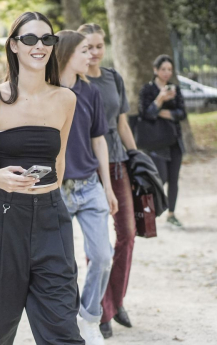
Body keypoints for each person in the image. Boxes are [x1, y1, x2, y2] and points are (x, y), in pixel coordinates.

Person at [0, 12, 83, 344]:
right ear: (13, 45)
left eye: (47, 39)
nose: (39, 46)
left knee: (63, 329)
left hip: (52, 218)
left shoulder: (66, 99)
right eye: (29, 39)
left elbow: (59, 161)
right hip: (2, 220)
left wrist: (52, 205)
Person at [55, 30, 118, 345]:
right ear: (67, 54)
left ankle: (90, 317)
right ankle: (66, 323)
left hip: (90, 185)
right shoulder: (47, 92)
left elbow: (99, 140)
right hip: (58, 190)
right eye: (84, 50)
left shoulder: (91, 92)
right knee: (64, 265)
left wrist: (108, 187)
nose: (91, 55)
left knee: (102, 255)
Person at [78, 23, 138, 339]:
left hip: (119, 164)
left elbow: (122, 122)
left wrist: (136, 156)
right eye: (86, 47)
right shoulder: (74, 82)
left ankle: (116, 299)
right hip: (90, 167)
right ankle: (100, 308)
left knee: (127, 233)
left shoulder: (113, 78)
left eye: (98, 46)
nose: (93, 53)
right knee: (96, 242)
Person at [138, 54, 186, 228]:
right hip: (156, 142)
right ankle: (147, 210)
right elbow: (146, 114)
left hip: (174, 141)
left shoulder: (175, 89)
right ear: (155, 70)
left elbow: (182, 113)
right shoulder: (147, 90)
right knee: (160, 178)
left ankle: (171, 214)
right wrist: (160, 100)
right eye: (163, 69)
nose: (167, 73)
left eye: (170, 70)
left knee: (174, 179)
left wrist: (164, 113)